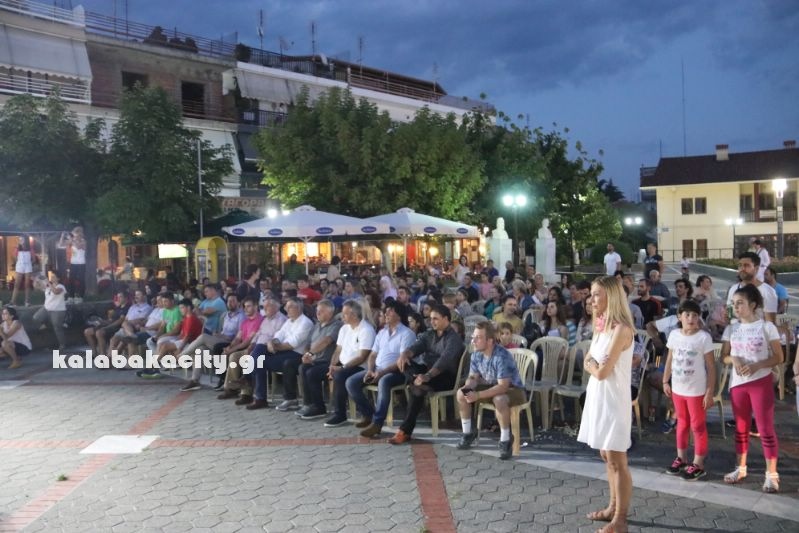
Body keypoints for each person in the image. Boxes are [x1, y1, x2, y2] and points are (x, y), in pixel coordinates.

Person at [577, 275, 635, 533]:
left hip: (613, 400)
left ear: (611, 296)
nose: (591, 299)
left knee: (617, 459)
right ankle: (612, 507)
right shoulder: (601, 326)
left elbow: (601, 371)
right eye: (591, 294)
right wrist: (592, 365)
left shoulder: (622, 329)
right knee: (606, 455)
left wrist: (592, 365)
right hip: (598, 397)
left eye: (596, 294)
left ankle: (620, 519)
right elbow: (588, 359)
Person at [721, 284, 783, 493]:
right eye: (734, 304)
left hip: (760, 382)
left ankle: (771, 474)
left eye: (740, 303)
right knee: (741, 428)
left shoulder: (766, 327)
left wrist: (757, 365)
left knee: (765, 428)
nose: (736, 307)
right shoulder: (732, 328)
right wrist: (734, 359)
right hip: (738, 385)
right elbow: (723, 357)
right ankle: (740, 468)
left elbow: (779, 357)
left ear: (753, 304)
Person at [389, 304, 465, 444]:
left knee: (417, 390)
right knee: (405, 363)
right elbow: (416, 347)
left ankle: (404, 431)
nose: (432, 322)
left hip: (445, 376)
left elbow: (444, 361)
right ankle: (416, 381)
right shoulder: (429, 334)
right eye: (430, 318)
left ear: (446, 319)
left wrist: (427, 376)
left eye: (435, 319)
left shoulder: (453, 339)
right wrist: (405, 354)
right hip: (426, 371)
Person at [661, 300, 716, 481]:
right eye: (687, 315)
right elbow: (669, 359)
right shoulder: (674, 335)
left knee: (698, 426)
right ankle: (681, 458)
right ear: (679, 317)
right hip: (678, 389)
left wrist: (709, 391)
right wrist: (665, 380)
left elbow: (711, 367)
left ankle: (698, 463)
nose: (691, 318)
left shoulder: (703, 338)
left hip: (696, 391)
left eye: (695, 315)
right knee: (682, 423)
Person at [455, 320, 525, 460]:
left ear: (490, 341)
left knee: (499, 399)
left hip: (513, 390)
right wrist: (468, 387)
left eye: (478, 338)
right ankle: (467, 433)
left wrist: (477, 395)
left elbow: (503, 386)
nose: (473, 341)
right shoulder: (476, 354)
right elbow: (473, 377)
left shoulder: (501, 356)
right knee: (461, 393)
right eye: (473, 337)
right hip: (490, 386)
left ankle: (505, 440)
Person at [346, 300, 416, 437]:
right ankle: (369, 414)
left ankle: (377, 423)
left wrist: (382, 372)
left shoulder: (406, 334)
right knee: (351, 382)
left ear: (399, 315)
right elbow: (372, 355)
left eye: (390, 311)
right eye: (386, 311)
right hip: (377, 369)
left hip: (398, 371)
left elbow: (401, 361)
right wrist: (370, 370)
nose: (386, 313)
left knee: (384, 381)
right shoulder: (382, 333)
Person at [322, 300, 376, 427]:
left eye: (345, 314)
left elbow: (362, 357)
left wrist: (341, 368)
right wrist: (331, 366)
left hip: (360, 367)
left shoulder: (366, 330)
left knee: (340, 375)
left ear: (354, 315)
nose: (342, 316)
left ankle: (340, 414)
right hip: (344, 365)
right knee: (313, 370)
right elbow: (338, 350)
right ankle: (318, 407)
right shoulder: (344, 328)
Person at [725, 252, 778, 324]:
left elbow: (770, 323)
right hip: (735, 330)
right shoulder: (733, 289)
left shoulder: (768, 291)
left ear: (756, 268)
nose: (742, 269)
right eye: (740, 265)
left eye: (746, 265)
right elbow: (730, 315)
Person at [31, 271, 68, 351]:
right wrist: (36, 280)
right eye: (51, 276)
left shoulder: (61, 286)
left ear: (58, 278)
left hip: (58, 310)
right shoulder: (48, 287)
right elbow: (37, 287)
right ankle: (48, 325)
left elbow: (56, 292)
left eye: (54, 276)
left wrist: (48, 283)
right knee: (36, 317)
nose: (52, 278)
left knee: (57, 328)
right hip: (46, 309)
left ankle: (62, 345)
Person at [59, 226, 87, 302]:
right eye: (74, 234)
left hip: (81, 263)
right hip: (73, 263)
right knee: (71, 280)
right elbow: (61, 244)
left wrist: (71, 239)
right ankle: (71, 297)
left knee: (81, 280)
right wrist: (62, 236)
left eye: (75, 234)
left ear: (79, 234)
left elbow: (78, 247)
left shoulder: (83, 241)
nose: (75, 235)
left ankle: (80, 297)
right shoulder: (72, 240)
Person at [10, 236, 33, 307]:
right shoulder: (17, 248)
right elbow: (13, 257)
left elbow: (34, 259)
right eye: (19, 239)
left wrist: (29, 263)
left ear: (26, 240)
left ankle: (27, 302)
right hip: (19, 265)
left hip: (28, 266)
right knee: (17, 284)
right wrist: (18, 262)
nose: (20, 241)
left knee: (27, 284)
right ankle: (12, 302)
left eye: (22, 239)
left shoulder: (30, 249)